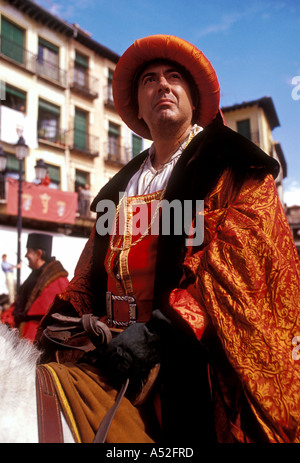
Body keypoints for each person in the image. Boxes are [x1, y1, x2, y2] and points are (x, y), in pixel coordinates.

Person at [37, 35, 300, 443]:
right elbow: (88, 274)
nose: (162, 85)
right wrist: (65, 316)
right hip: (112, 357)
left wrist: (161, 332)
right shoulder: (117, 190)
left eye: (174, 77)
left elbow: (238, 274)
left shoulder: (231, 169)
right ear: (137, 108)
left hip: (194, 364)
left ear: (193, 101)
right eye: (149, 80)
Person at [2, 233, 69, 342]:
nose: (25, 255)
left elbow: (43, 312)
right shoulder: (35, 274)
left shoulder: (58, 280)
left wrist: (17, 317)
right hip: (20, 331)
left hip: (35, 336)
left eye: (28, 251)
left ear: (39, 253)